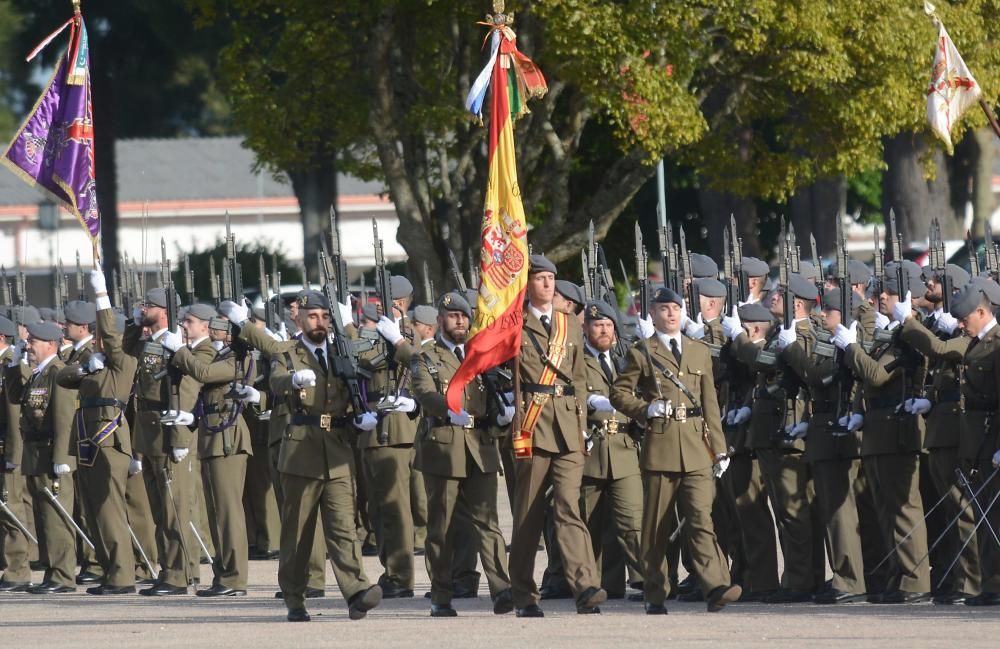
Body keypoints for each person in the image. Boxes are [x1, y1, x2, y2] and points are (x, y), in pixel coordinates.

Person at [254, 291, 382, 621]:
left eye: (325, 317)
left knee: (343, 528)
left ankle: (356, 591)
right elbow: (276, 380)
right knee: (298, 531)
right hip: (301, 450)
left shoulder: (342, 351)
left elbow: (360, 386)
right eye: (313, 316)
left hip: (338, 450)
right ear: (298, 319)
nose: (319, 323)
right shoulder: (287, 352)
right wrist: (293, 379)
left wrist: (361, 415)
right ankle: (295, 598)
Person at [612, 286, 741, 614]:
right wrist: (646, 409)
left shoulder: (698, 351)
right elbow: (618, 393)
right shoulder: (642, 352)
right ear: (652, 313)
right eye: (664, 308)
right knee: (657, 525)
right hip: (661, 446)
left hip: (697, 447)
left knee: (701, 518)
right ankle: (655, 591)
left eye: (675, 308)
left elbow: (710, 402)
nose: (671, 314)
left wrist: (720, 449)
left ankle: (715, 586)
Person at [507, 254, 606, 617]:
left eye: (551, 278)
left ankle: (585, 587)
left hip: (566, 425)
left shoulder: (570, 324)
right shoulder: (514, 323)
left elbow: (579, 376)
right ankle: (523, 594)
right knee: (529, 514)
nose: (548, 284)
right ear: (527, 284)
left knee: (569, 507)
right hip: (531, 424)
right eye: (540, 278)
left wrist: (580, 419)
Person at [832, 260, 931, 603]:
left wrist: (851, 348)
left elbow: (877, 375)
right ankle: (897, 575)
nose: (879, 299)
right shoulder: (889, 334)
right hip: (877, 429)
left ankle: (915, 580)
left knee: (904, 509)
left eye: (886, 293)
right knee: (886, 511)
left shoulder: (907, 335)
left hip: (898, 430)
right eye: (878, 293)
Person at [410, 291, 513, 616]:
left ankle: (502, 590)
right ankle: (441, 594)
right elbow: (425, 394)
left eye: (464, 316)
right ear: (440, 319)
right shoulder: (426, 357)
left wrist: (500, 416)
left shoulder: (480, 356)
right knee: (442, 527)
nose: (459, 321)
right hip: (444, 447)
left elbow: (493, 397)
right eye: (453, 316)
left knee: (489, 524)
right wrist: (446, 408)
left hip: (480, 447)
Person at [55, 270, 138, 594]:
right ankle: (109, 571)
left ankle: (122, 576)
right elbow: (62, 378)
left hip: (109, 441)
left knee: (110, 511)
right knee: (93, 511)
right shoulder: (96, 360)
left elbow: (111, 337)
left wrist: (101, 296)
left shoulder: (122, 362)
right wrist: (85, 367)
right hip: (88, 442)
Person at [165, 303, 253, 597]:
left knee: (228, 512)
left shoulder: (237, 359)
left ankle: (235, 579)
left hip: (228, 438)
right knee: (215, 512)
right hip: (213, 435)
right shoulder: (225, 356)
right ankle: (223, 575)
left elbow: (202, 372)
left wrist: (179, 351)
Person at [4, 321, 77, 594]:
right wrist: (13, 367)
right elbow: (15, 399)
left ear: (50, 344)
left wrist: (62, 458)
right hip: (35, 454)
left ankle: (63, 576)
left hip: (50, 454)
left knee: (57, 517)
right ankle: (52, 572)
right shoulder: (37, 373)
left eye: (33, 341)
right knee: (44, 517)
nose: (29, 345)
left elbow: (63, 419)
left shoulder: (59, 373)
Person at [579, 300, 644, 598]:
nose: (604, 331)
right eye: (597, 325)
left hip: (623, 448)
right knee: (590, 524)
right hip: (591, 449)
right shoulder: (576, 361)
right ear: (586, 329)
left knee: (632, 520)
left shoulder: (627, 359)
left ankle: (647, 579)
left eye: (608, 326)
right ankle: (598, 584)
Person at [0, 315, 31, 591]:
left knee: (12, 508)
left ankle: (18, 570)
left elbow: (14, 414)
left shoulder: (10, 363)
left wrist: (14, 454)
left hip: (9, 448)